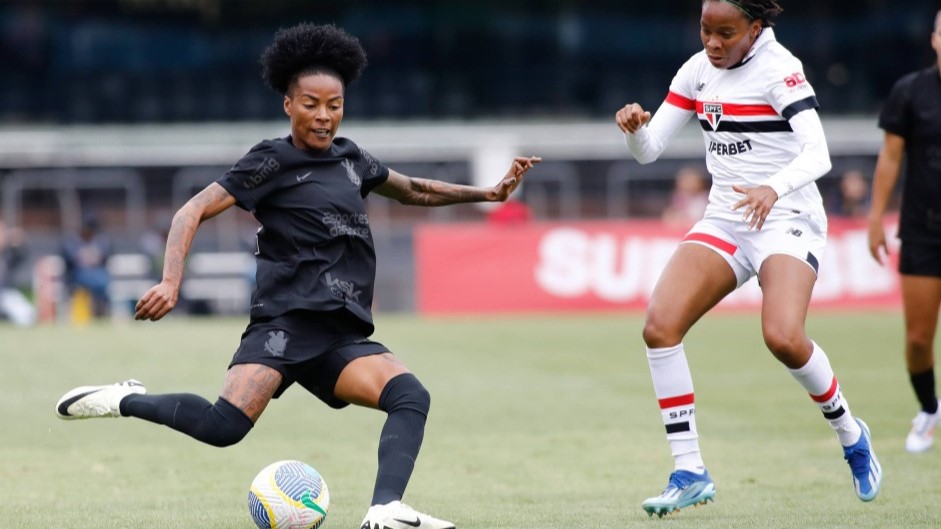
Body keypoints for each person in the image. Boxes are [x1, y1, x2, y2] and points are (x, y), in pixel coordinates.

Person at [54, 23, 540, 529]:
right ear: (289, 104)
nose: (324, 115)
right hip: (285, 324)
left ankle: (384, 511)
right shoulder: (271, 160)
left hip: (339, 331)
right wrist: (171, 281)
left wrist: (488, 194)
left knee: (410, 395)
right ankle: (124, 398)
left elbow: (414, 189)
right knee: (224, 428)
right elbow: (190, 211)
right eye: (311, 103)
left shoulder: (352, 159)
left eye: (335, 104)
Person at [614, 0, 881, 517]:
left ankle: (851, 434)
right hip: (727, 218)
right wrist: (634, 131)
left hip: (787, 216)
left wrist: (772, 189)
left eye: (725, 32)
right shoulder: (697, 71)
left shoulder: (781, 70)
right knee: (659, 327)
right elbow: (650, 151)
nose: (712, 43)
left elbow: (818, 154)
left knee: (782, 337)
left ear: (756, 29)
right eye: (705, 30)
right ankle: (689, 470)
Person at [867, 9, 941, 454]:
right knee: (917, 339)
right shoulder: (910, 92)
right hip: (922, 231)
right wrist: (876, 217)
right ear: (934, 39)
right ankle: (929, 408)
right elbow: (890, 158)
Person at [59, 213, 112, 318]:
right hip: (76, 276)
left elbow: (104, 257)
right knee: (94, 279)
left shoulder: (100, 240)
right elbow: (72, 260)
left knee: (101, 280)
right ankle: (95, 312)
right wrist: (88, 257)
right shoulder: (72, 241)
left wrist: (89, 257)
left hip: (97, 274)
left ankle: (99, 312)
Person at [0, 220, 36, 326]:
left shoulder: (7, 254)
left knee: (27, 316)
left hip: (5, 295)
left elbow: (22, 254)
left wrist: (20, 241)